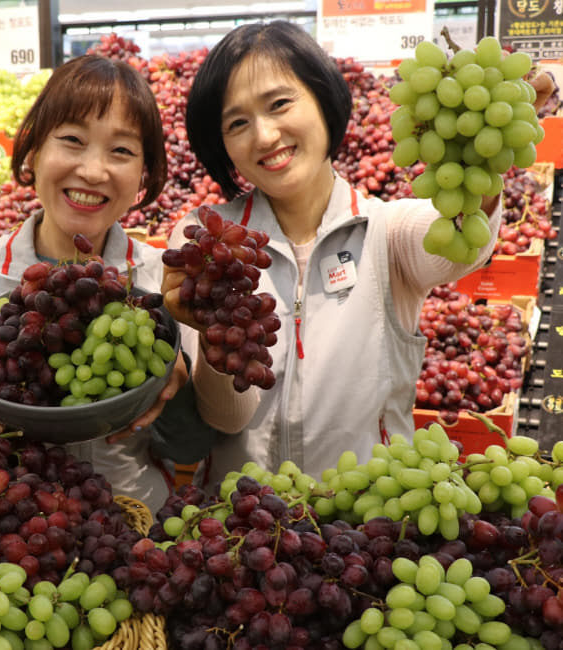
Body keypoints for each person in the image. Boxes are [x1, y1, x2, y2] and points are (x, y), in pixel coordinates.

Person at [162, 21, 554, 487]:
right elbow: (227, 420)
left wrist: (482, 158)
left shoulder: (387, 230)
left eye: (280, 104)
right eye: (237, 123)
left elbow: (458, 245)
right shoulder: (207, 242)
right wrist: (212, 331)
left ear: (324, 100)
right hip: (250, 533)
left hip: (366, 530)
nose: (265, 136)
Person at [0, 55, 214, 512]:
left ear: (143, 173)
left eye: (121, 151)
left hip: (129, 528)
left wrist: (175, 386)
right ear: (34, 149)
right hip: (11, 533)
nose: (94, 170)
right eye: (73, 140)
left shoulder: (165, 281)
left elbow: (188, 449)